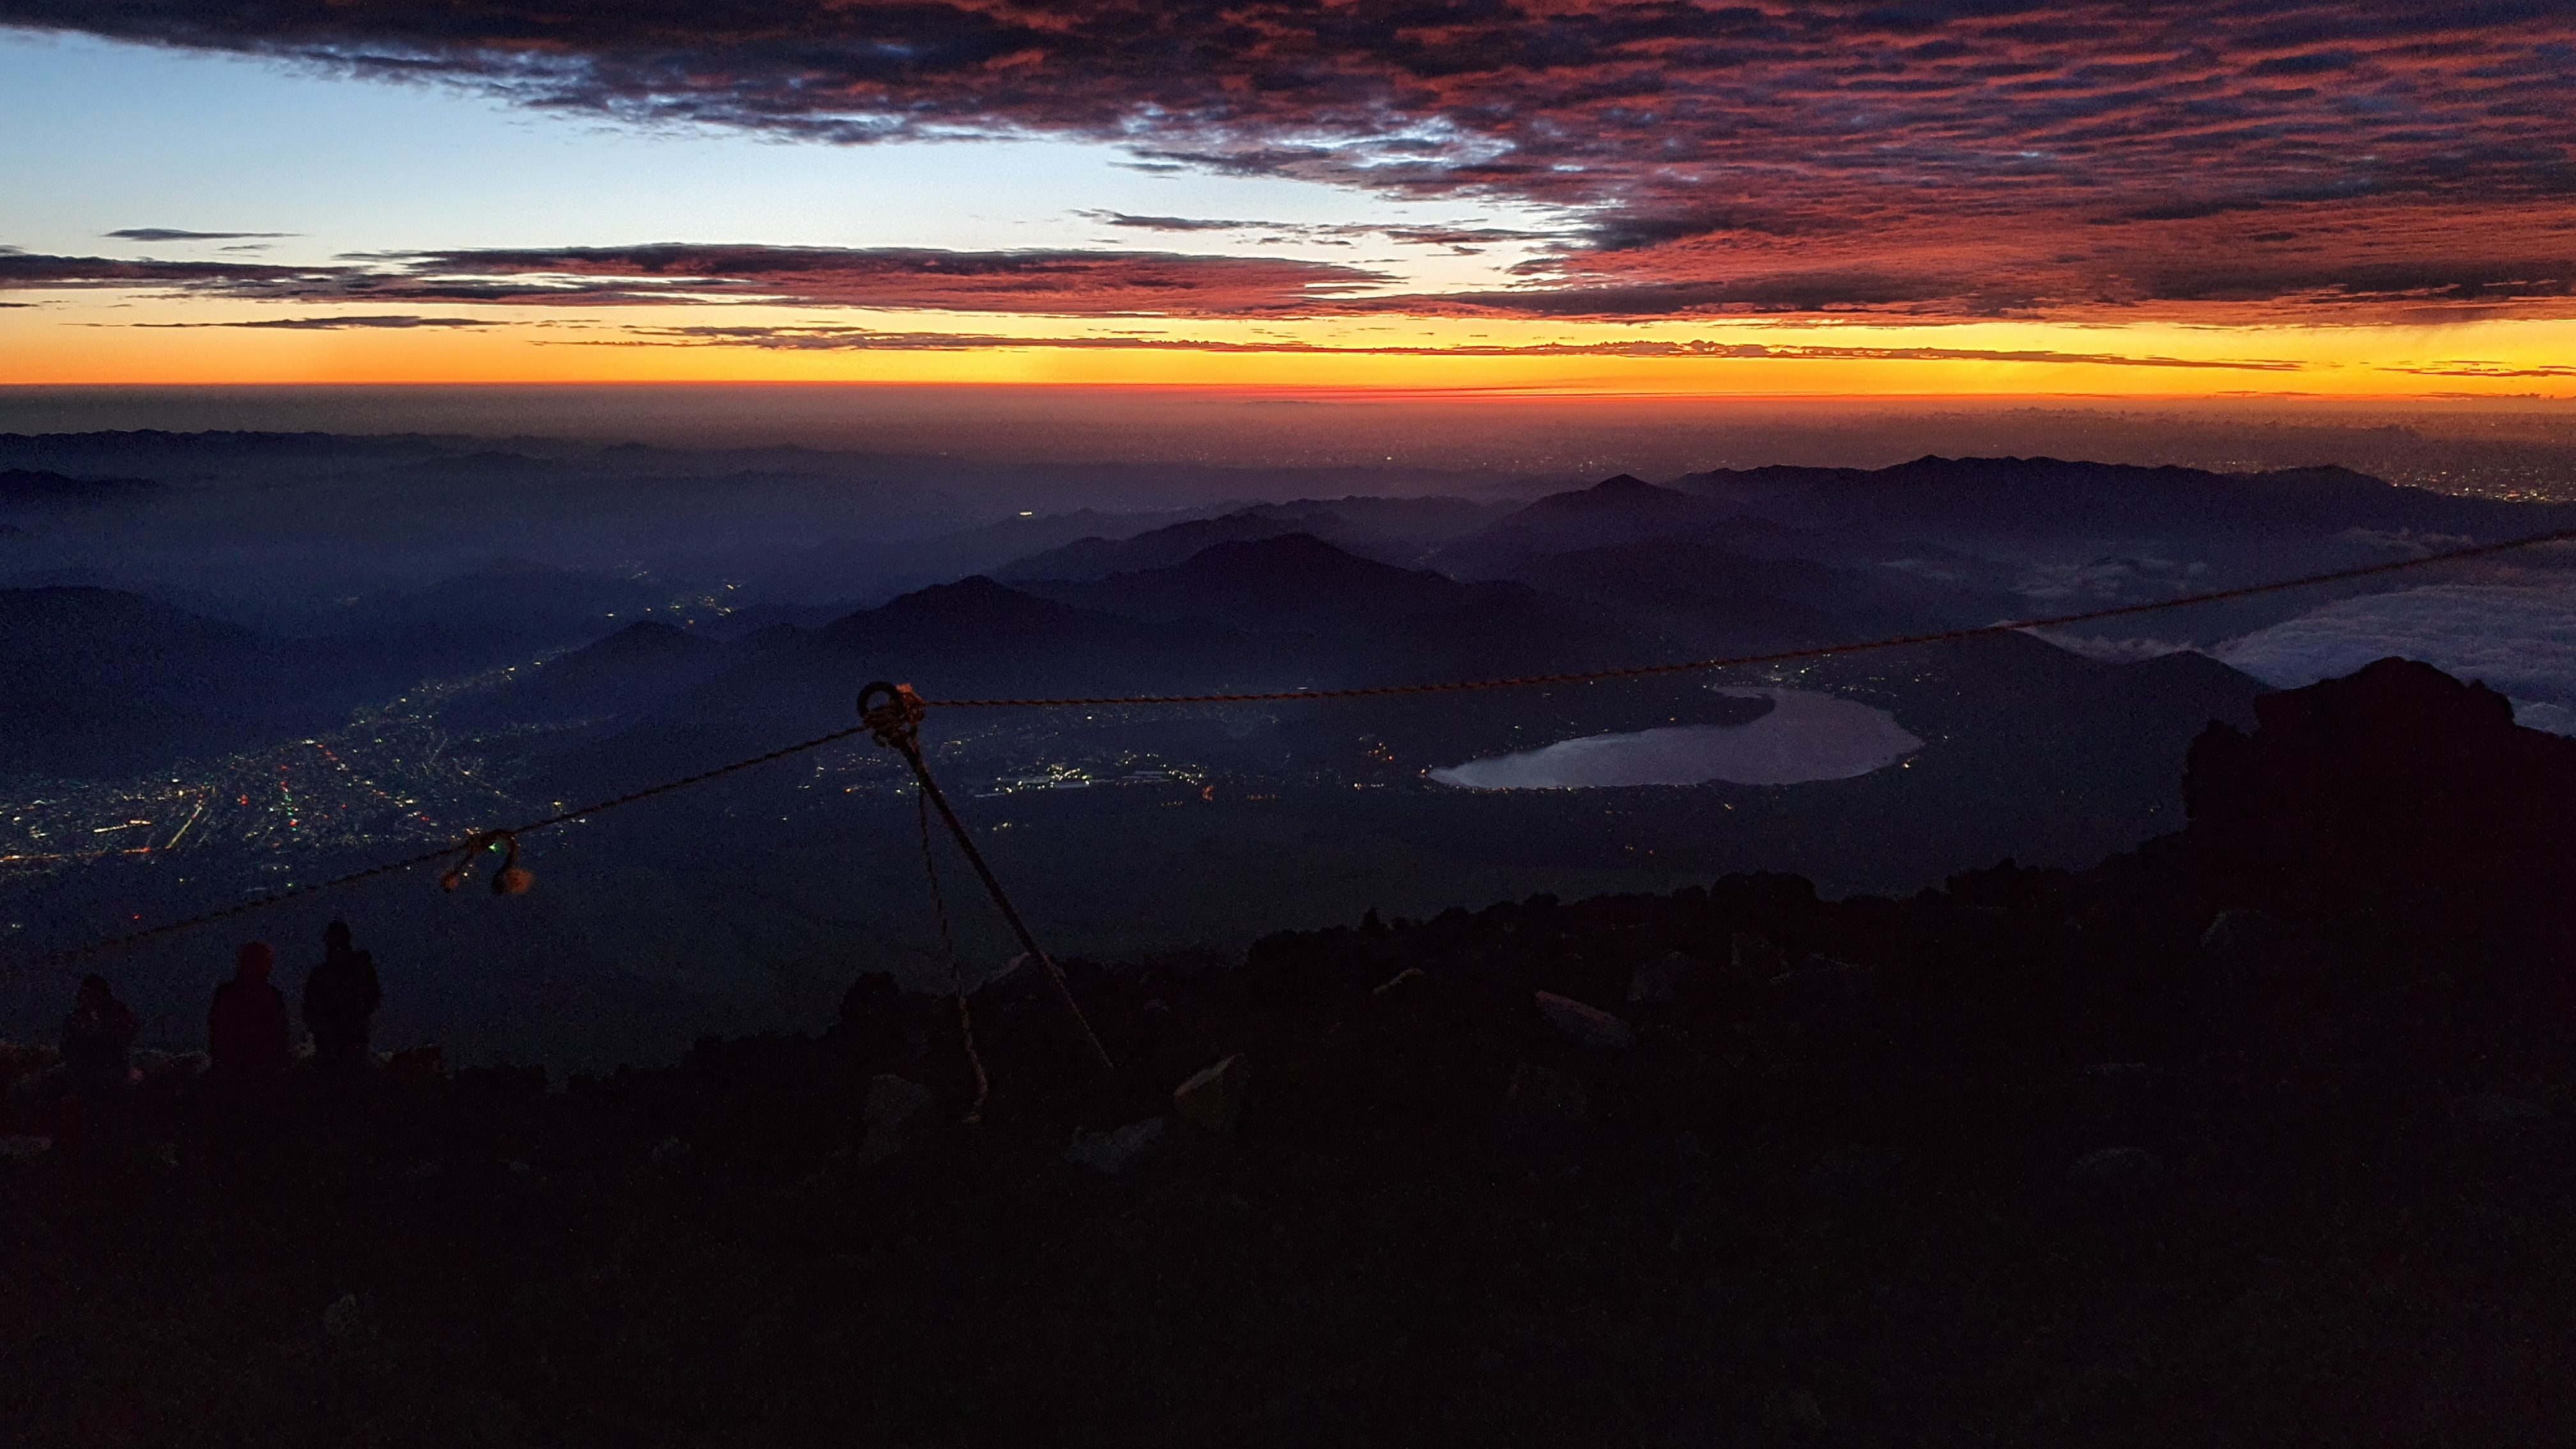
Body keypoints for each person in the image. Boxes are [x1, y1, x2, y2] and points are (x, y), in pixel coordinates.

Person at [303, 921, 382, 1075]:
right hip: (344, 1038)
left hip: (341, 1039)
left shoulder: (325, 973)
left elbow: (311, 1009)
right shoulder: (358, 969)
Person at [209, 941, 291, 1085]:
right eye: (266, 961)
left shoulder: (270, 995)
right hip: (243, 1070)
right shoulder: (268, 996)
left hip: (255, 1070)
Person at [61, 974, 138, 1111]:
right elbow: (70, 1044)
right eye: (85, 994)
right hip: (84, 1072)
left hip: (115, 1068)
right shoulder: (77, 1017)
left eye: (91, 993)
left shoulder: (119, 1012)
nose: (87, 998)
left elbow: (124, 1038)